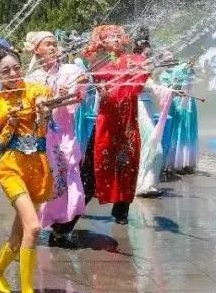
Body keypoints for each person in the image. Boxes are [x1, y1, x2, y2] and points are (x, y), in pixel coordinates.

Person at [0, 48, 52, 293]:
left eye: (16, 67)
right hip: (11, 169)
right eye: (5, 71)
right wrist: (9, 125)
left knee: (19, 233)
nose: (13, 73)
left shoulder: (37, 92)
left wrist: (43, 112)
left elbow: (44, 122)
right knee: (33, 227)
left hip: (37, 168)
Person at [83, 25, 151, 225]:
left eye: (119, 36)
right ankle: (74, 210)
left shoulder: (134, 60)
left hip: (128, 122)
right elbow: (100, 76)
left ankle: (122, 210)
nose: (116, 39)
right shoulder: (99, 61)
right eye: (110, 37)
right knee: (95, 164)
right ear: (102, 42)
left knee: (127, 163)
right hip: (106, 122)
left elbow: (138, 85)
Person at [25, 31, 87, 249]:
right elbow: (32, 109)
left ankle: (61, 229)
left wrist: (77, 87)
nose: (53, 47)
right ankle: (47, 227)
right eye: (47, 44)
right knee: (51, 182)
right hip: (45, 136)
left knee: (73, 186)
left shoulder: (70, 70)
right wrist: (50, 100)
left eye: (54, 43)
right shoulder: (31, 78)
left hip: (65, 134)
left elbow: (76, 101)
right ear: (36, 51)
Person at [160, 59, 199, 175]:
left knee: (182, 129)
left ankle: (181, 161)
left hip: (181, 101)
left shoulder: (182, 68)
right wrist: (173, 88)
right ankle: (178, 161)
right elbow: (166, 90)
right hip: (178, 101)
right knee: (178, 130)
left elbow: (187, 85)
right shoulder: (165, 74)